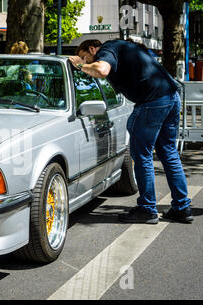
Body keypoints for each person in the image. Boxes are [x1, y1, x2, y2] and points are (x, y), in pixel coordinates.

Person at [69, 39, 193, 224]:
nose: (86, 62)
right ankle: (182, 208)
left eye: (85, 57)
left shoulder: (107, 50)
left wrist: (80, 66)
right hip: (170, 96)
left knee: (142, 155)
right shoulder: (123, 48)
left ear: (92, 49)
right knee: (169, 153)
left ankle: (147, 209)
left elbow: (101, 70)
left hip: (152, 101)